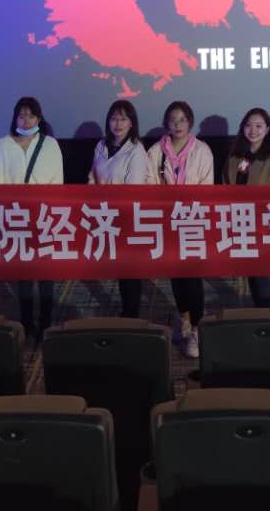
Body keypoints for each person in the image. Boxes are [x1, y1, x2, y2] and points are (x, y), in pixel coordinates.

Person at [0, 96, 64, 342]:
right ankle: (26, 323)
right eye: (21, 115)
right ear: (15, 118)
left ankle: (45, 324)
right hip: (16, 217)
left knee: (46, 274)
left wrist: (51, 212)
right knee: (23, 273)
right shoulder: (4, 144)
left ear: (38, 119)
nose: (26, 120)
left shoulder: (50, 144)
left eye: (31, 116)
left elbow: (57, 181)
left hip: (44, 217)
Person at [149, 101, 214, 357]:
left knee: (192, 275)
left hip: (193, 220)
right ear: (166, 123)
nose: (177, 125)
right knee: (175, 273)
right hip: (167, 220)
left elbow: (207, 186)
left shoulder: (202, 150)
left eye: (182, 120)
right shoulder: (156, 151)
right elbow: (149, 184)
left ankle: (197, 328)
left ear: (190, 123)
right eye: (173, 120)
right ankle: (183, 319)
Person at [89, 99, 152, 318]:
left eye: (123, 119)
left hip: (126, 216)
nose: (118, 124)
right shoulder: (101, 145)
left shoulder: (136, 150)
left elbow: (133, 187)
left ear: (131, 123)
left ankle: (131, 316)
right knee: (115, 266)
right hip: (103, 214)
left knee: (129, 270)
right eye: (114, 119)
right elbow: (92, 176)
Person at [225, 107, 270, 308]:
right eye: (248, 125)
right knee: (247, 275)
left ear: (267, 129)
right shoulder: (236, 158)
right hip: (240, 224)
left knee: (263, 280)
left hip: (263, 227)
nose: (253, 130)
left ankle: (265, 316)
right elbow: (226, 187)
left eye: (259, 126)